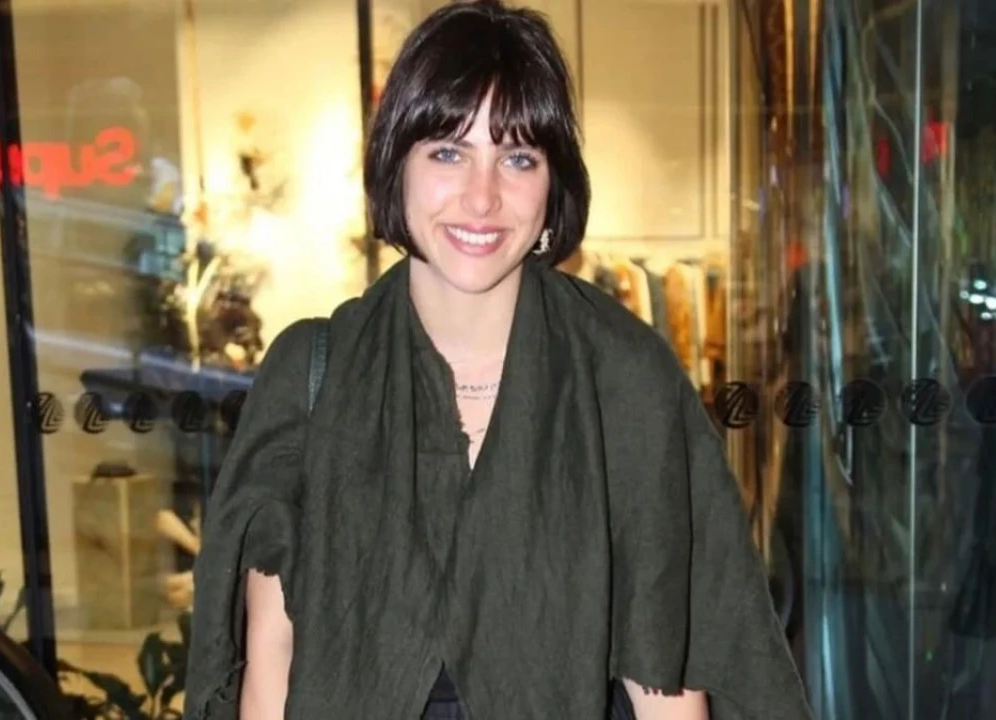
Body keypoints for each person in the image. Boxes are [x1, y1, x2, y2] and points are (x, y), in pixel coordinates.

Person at [183, 2, 812, 718]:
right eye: (448, 152)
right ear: (397, 165)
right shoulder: (311, 373)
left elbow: (664, 678)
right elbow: (273, 656)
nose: (482, 198)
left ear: (552, 183)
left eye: (518, 158)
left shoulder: (621, 377)